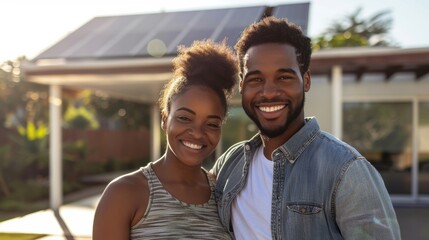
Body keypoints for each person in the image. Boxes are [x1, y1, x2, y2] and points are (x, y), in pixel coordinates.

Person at [211, 16, 401, 239]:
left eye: (283, 77)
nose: (269, 92)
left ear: (306, 81)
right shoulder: (230, 163)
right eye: (256, 79)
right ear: (242, 85)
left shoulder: (347, 170)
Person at [93, 39, 238, 239]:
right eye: (184, 118)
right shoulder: (124, 193)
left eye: (211, 123)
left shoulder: (224, 195)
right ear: (164, 119)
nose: (197, 132)